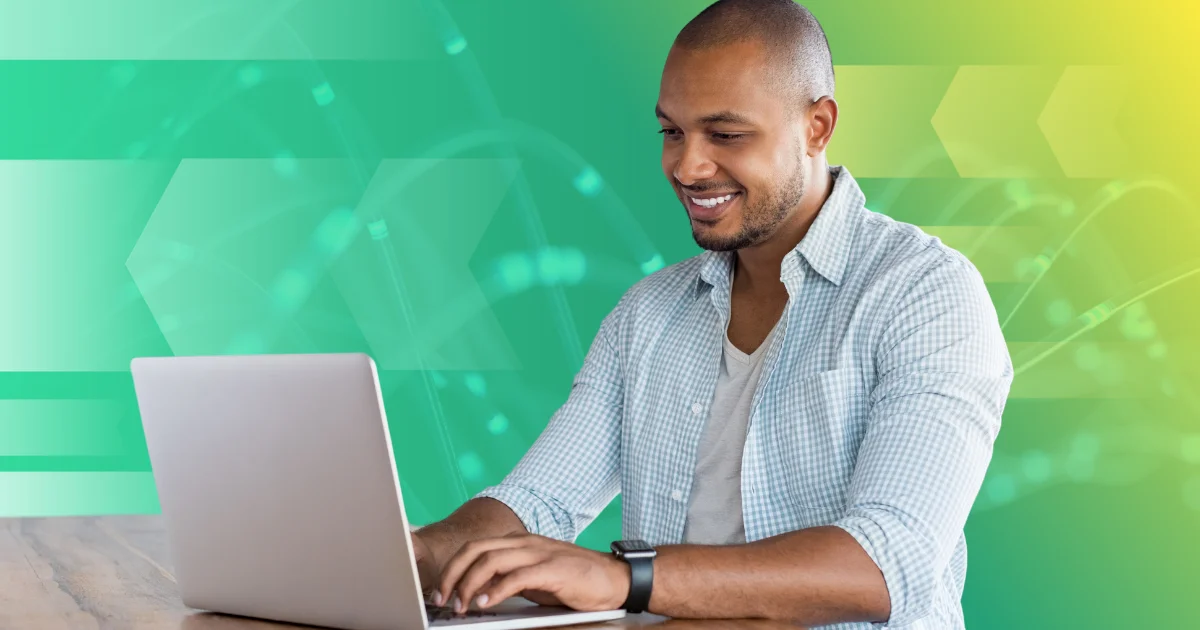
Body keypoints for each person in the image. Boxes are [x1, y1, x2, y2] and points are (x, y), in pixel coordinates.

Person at [412, 0, 1013, 627]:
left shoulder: (924, 293)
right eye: (673, 131)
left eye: (726, 135)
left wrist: (626, 578)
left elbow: (886, 563)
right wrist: (417, 551)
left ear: (817, 126)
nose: (687, 167)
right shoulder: (647, 315)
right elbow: (536, 503)